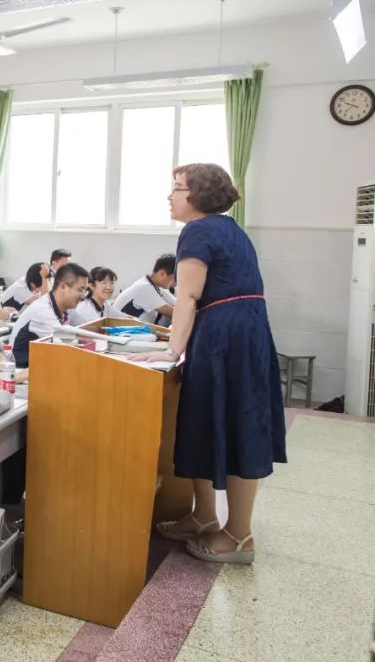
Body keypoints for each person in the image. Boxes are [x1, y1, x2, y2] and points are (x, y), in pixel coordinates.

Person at [132, 163, 285, 565]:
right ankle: (203, 516)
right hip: (238, 331)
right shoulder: (231, 229)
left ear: (198, 196)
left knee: (234, 425)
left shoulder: (197, 230)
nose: (171, 195)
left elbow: (187, 296)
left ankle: (238, 536)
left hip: (226, 336)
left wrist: (170, 352)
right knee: (205, 419)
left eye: (178, 188)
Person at [9, 263, 89, 368]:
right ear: (63, 286)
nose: (83, 296)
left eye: (85, 291)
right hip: (22, 370)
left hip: (42, 362)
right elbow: (65, 349)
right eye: (80, 290)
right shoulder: (42, 311)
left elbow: (87, 328)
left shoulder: (66, 307)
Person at [114, 254, 177, 326]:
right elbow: (175, 314)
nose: (175, 283)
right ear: (162, 274)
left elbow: (177, 304)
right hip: (120, 332)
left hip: (134, 331)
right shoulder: (144, 287)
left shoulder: (156, 286)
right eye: (173, 278)